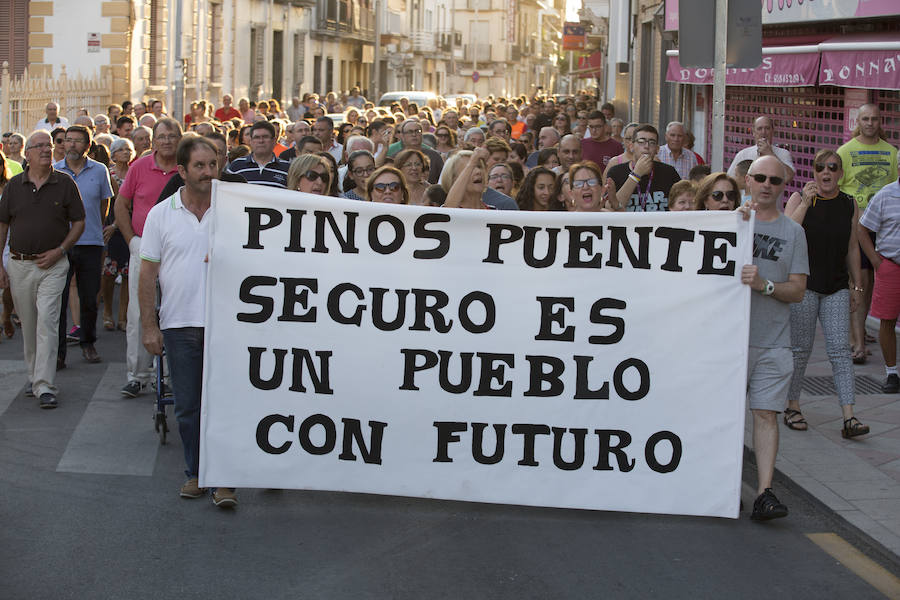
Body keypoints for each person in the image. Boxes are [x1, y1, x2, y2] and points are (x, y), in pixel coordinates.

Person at [139, 136, 237, 508]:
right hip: (179, 324)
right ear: (181, 171)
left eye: (213, 164)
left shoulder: (235, 212)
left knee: (225, 403)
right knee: (188, 405)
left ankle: (225, 480)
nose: (209, 172)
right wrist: (150, 326)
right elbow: (147, 276)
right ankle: (196, 472)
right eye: (200, 166)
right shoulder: (161, 215)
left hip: (229, 324)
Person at [740, 155, 808, 521]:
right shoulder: (731, 220)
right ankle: (725, 485)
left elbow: (797, 291)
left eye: (775, 180)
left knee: (766, 414)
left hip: (773, 342)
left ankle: (765, 492)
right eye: (760, 177)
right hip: (729, 341)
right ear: (747, 180)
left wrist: (764, 285)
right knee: (728, 416)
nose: (767, 185)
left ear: (784, 187)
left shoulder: (794, 233)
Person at [782, 150, 869, 436]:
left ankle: (849, 416)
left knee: (841, 352)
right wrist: (806, 204)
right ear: (814, 172)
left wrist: (857, 285)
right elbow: (786, 235)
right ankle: (792, 405)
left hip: (836, 287)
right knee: (800, 350)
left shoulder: (849, 204)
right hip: (804, 285)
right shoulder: (799, 198)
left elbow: (852, 246)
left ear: (841, 174)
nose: (826, 173)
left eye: (832, 168)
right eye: (821, 168)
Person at [0, 130, 86, 408]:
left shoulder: (65, 183)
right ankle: (34, 375)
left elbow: (79, 222)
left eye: (49, 146)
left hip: (54, 265)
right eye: (39, 147)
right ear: (27, 155)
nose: (47, 150)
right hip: (20, 264)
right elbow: (2, 225)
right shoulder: (14, 186)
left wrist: (60, 251)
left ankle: (45, 385)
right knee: (30, 324)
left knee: (48, 322)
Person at [114, 118, 183, 398]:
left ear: (180, 138)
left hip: (177, 251)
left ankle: (165, 375)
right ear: (154, 140)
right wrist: (131, 239)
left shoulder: (186, 166)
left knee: (172, 312)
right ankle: (137, 375)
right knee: (139, 313)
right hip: (144, 248)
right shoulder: (139, 166)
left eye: (171, 136)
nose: (166, 141)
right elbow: (122, 203)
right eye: (161, 136)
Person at [838, 103, 899, 365]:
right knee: (859, 281)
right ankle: (857, 341)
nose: (870, 123)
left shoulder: (891, 152)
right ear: (858, 121)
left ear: (880, 122)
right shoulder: (846, 151)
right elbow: (837, 188)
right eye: (865, 119)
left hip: (885, 228)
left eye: (875, 119)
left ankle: (862, 330)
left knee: (873, 284)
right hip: (857, 225)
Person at [54, 125, 113, 366]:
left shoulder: (99, 171)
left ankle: (88, 343)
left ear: (88, 146)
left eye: (77, 141)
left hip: (90, 243)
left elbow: (104, 204)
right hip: (61, 245)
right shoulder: (55, 170)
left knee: (89, 298)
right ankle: (58, 352)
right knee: (57, 299)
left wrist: (95, 228)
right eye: (68, 140)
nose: (71, 145)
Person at [858, 171, 900, 394]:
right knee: (887, 320)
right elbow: (862, 228)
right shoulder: (886, 195)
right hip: (890, 265)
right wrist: (876, 261)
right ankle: (892, 373)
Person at [608, 124, 680, 211]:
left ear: (657, 149)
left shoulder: (669, 172)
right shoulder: (616, 172)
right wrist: (636, 174)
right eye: (641, 141)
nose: (646, 146)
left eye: (652, 142)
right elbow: (611, 207)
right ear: (631, 146)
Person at [103, 137, 134, 331]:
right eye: (121, 149)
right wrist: (112, 224)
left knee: (128, 275)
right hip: (110, 228)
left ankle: (123, 316)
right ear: (113, 154)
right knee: (109, 273)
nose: (125, 152)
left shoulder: (134, 173)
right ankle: (107, 313)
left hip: (129, 227)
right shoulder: (109, 174)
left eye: (128, 149)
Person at [728, 116, 795, 184]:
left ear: (772, 131)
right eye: (759, 129)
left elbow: (788, 177)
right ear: (753, 132)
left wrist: (770, 153)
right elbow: (729, 180)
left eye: (767, 128)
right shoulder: (743, 154)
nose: (763, 132)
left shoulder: (783, 153)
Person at [224, 120, 290, 188]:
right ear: (251, 141)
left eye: (265, 137)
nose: (261, 141)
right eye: (256, 137)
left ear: (274, 140)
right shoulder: (236, 166)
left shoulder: (287, 169)